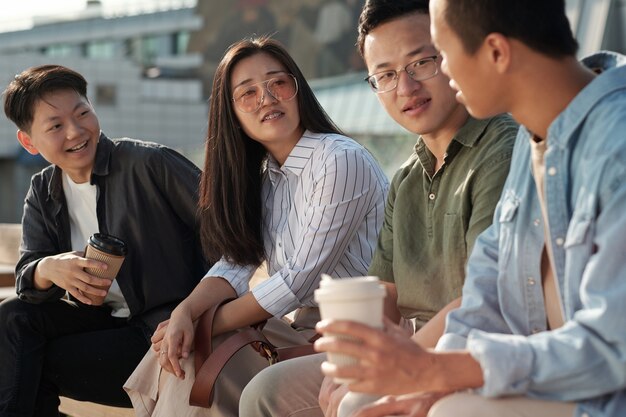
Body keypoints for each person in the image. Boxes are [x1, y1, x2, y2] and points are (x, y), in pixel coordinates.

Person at [314, 0, 626, 416]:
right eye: (386, 75)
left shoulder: (615, 146)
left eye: (436, 55)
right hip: (550, 383)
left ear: (496, 52)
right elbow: (486, 296)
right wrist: (429, 383)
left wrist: (446, 373)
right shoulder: (532, 141)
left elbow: (612, 346)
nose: (432, 76)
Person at [238, 1, 518, 416]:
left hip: (477, 354)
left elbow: (485, 298)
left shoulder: (500, 150)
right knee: (266, 393)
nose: (405, 88)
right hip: (409, 351)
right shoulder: (405, 179)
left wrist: (393, 367)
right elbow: (381, 298)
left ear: (454, 55)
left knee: (356, 403)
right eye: (385, 75)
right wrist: (353, 362)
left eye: (421, 62)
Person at [123, 36, 389, 417]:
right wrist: (185, 312)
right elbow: (235, 262)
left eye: (278, 83)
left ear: (298, 90)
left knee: (196, 349)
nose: (266, 98)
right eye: (247, 93)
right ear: (231, 114)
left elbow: (297, 281)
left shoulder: (339, 160)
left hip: (356, 333)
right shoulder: (268, 177)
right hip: (299, 329)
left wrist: (203, 325)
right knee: (189, 354)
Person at [0, 65, 208, 417]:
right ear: (29, 141)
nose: (76, 132)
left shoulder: (150, 164)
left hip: (164, 333)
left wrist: (199, 310)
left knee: (22, 365)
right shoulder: (43, 190)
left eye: (83, 113)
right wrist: (51, 268)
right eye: (55, 126)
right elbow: (26, 276)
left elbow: (229, 230)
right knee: (12, 318)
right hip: (106, 325)